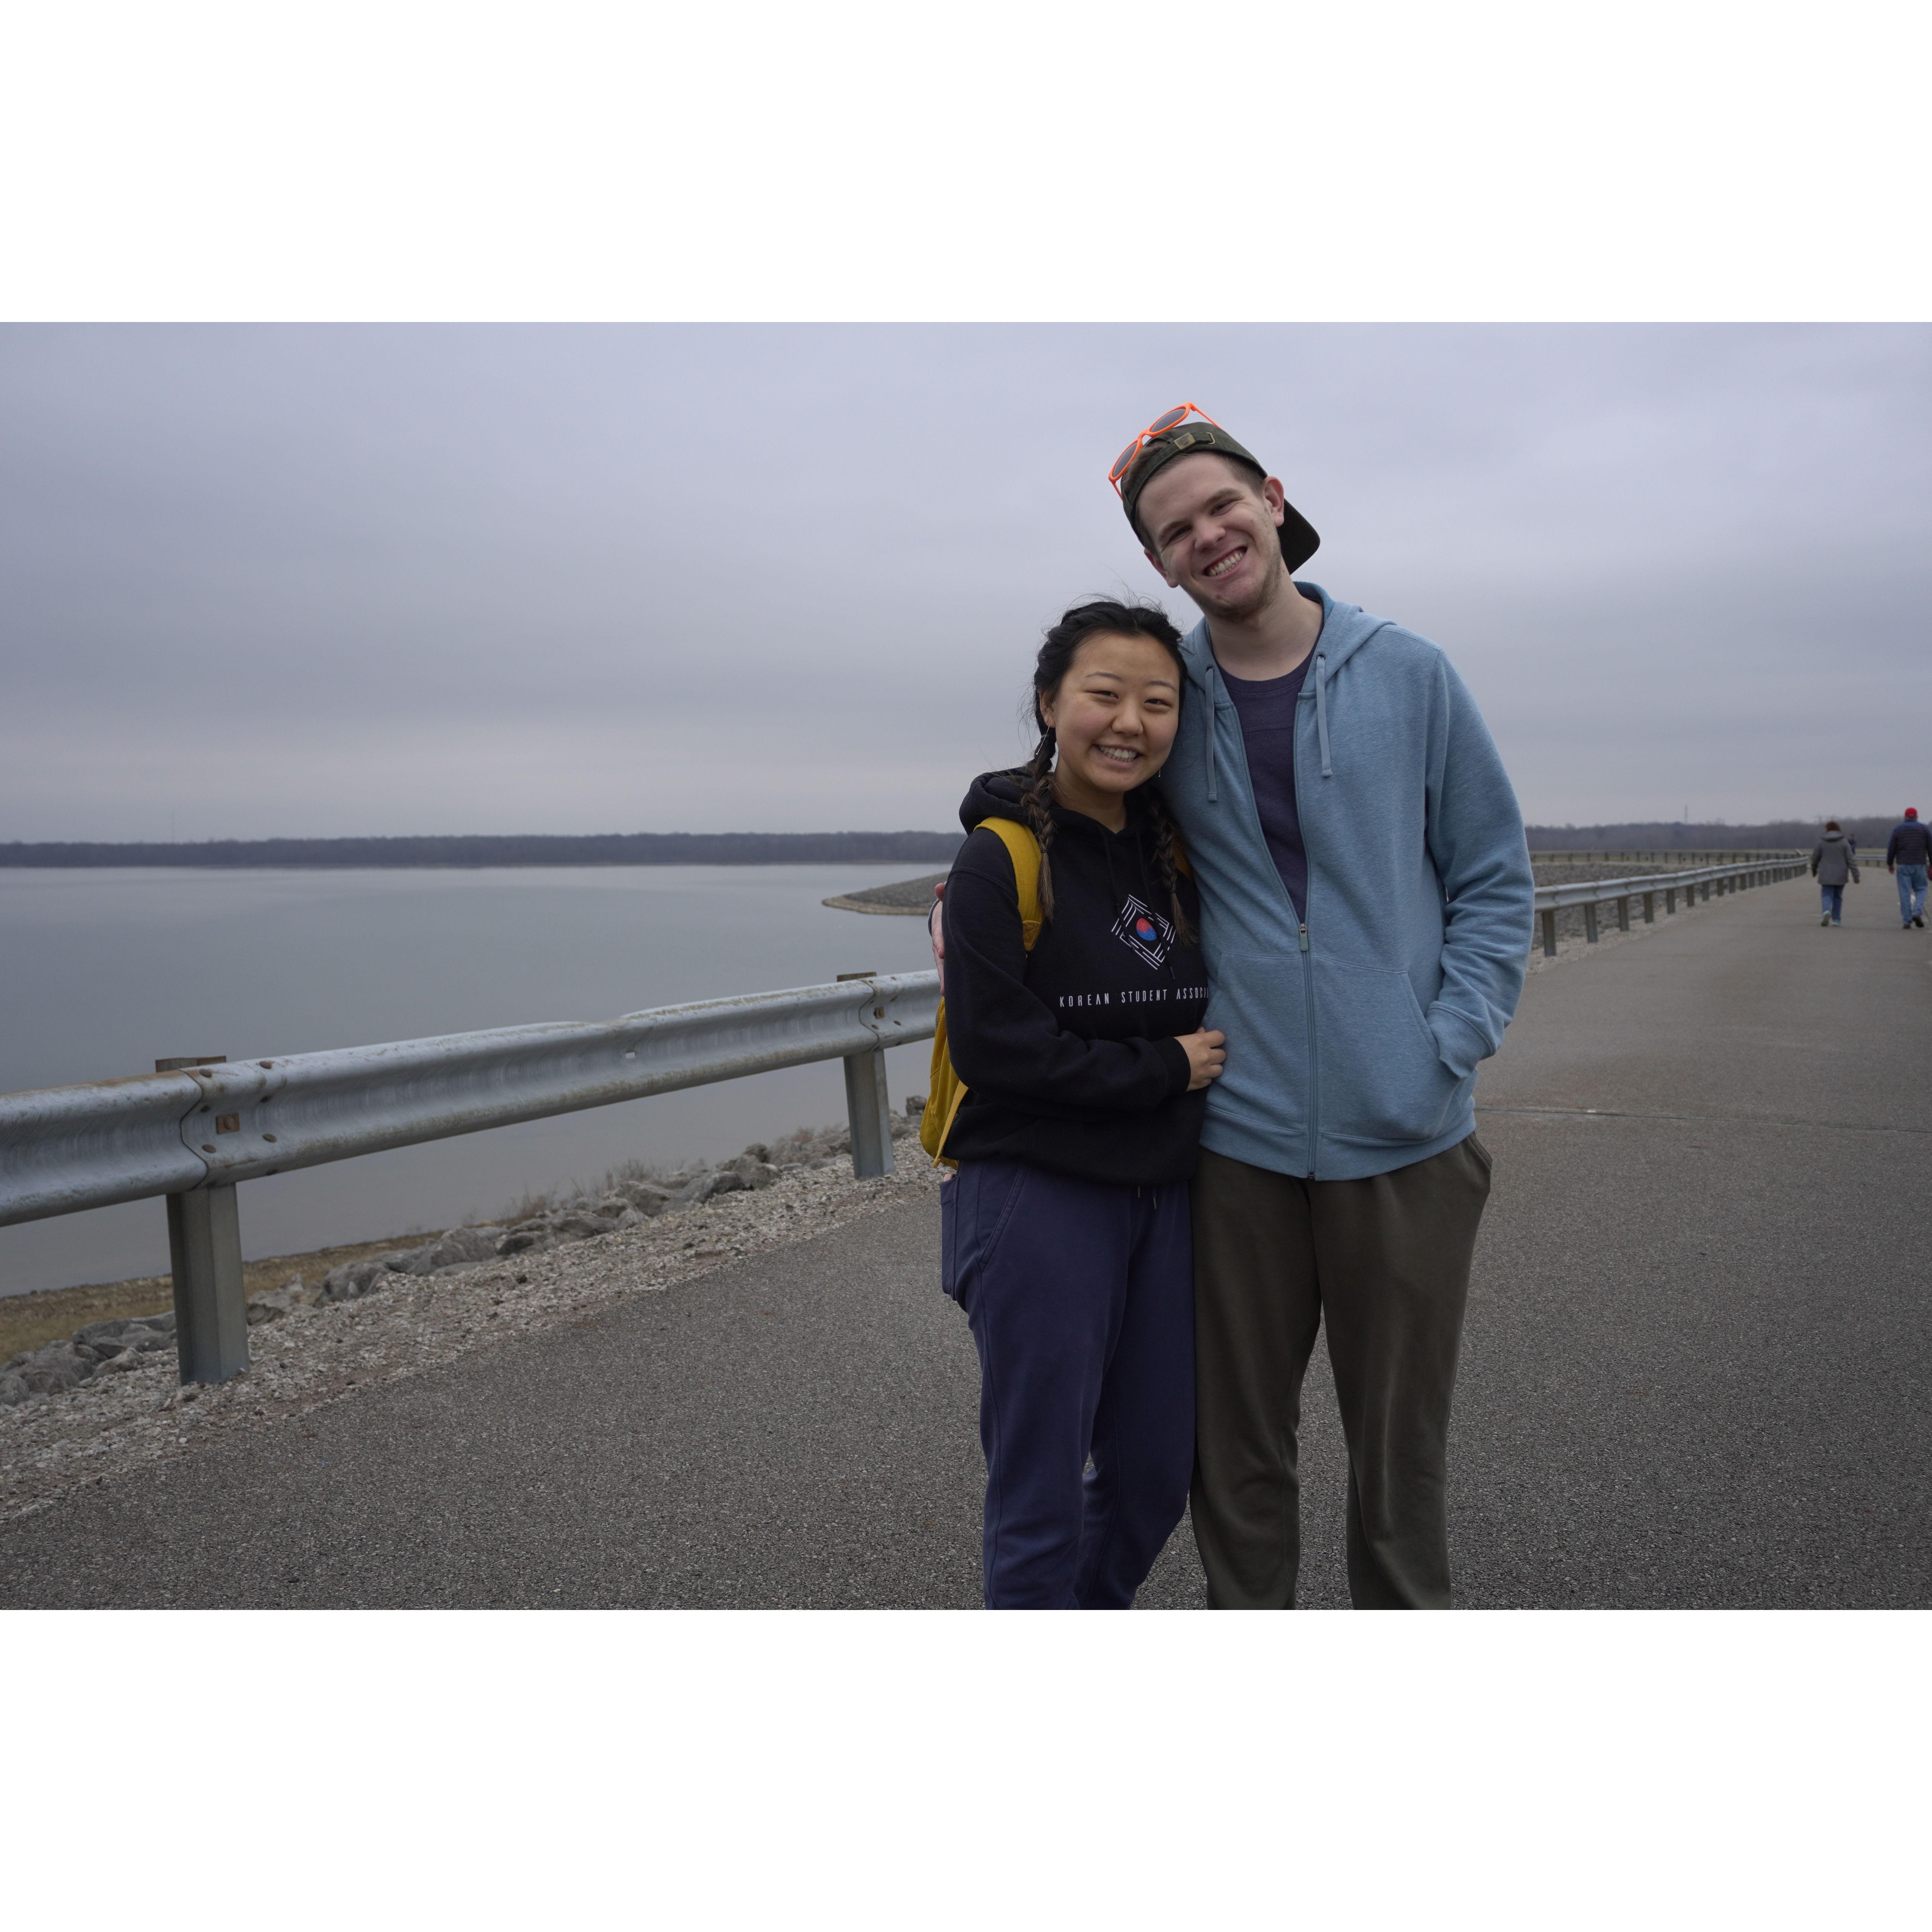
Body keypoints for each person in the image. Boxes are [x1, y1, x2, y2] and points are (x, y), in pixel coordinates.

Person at [1107, 403, 1535, 1610]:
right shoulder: (1167, 690)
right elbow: (1074, 787)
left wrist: (1443, 1044)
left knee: (1397, 1462)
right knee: (1233, 1455)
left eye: (1220, 507)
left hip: (1405, 1137)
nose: (1206, 537)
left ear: (1274, 499)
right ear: (1157, 563)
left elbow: (1494, 875)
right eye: (1172, 530)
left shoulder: (1407, 670)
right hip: (1234, 1140)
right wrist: (984, 864)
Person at [934, 599, 1226, 1609]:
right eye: (1104, 693)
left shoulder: (1175, 852)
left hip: (1163, 1197)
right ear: (1052, 700)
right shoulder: (997, 858)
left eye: (1158, 701)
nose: (1129, 721)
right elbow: (997, 1046)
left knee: (1152, 1476)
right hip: (1036, 1195)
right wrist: (1159, 1070)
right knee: (1039, 1495)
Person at [1885, 807, 1929, 929]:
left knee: (1905, 893)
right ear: (1917, 817)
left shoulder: (1898, 830)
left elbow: (1892, 848)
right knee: (1922, 889)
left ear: (1905, 817)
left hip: (1903, 865)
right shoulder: (1924, 829)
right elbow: (1930, 847)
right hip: (1920, 864)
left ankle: (1907, 921)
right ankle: (1917, 912)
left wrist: (1890, 864)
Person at [1811, 820, 1860, 925]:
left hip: (1826, 874)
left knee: (1827, 895)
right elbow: (1851, 859)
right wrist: (1856, 874)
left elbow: (1815, 858)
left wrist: (1814, 869)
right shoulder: (1844, 842)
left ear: (1828, 829)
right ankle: (1837, 919)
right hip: (1841, 875)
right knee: (1838, 896)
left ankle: (1826, 912)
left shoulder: (1822, 842)